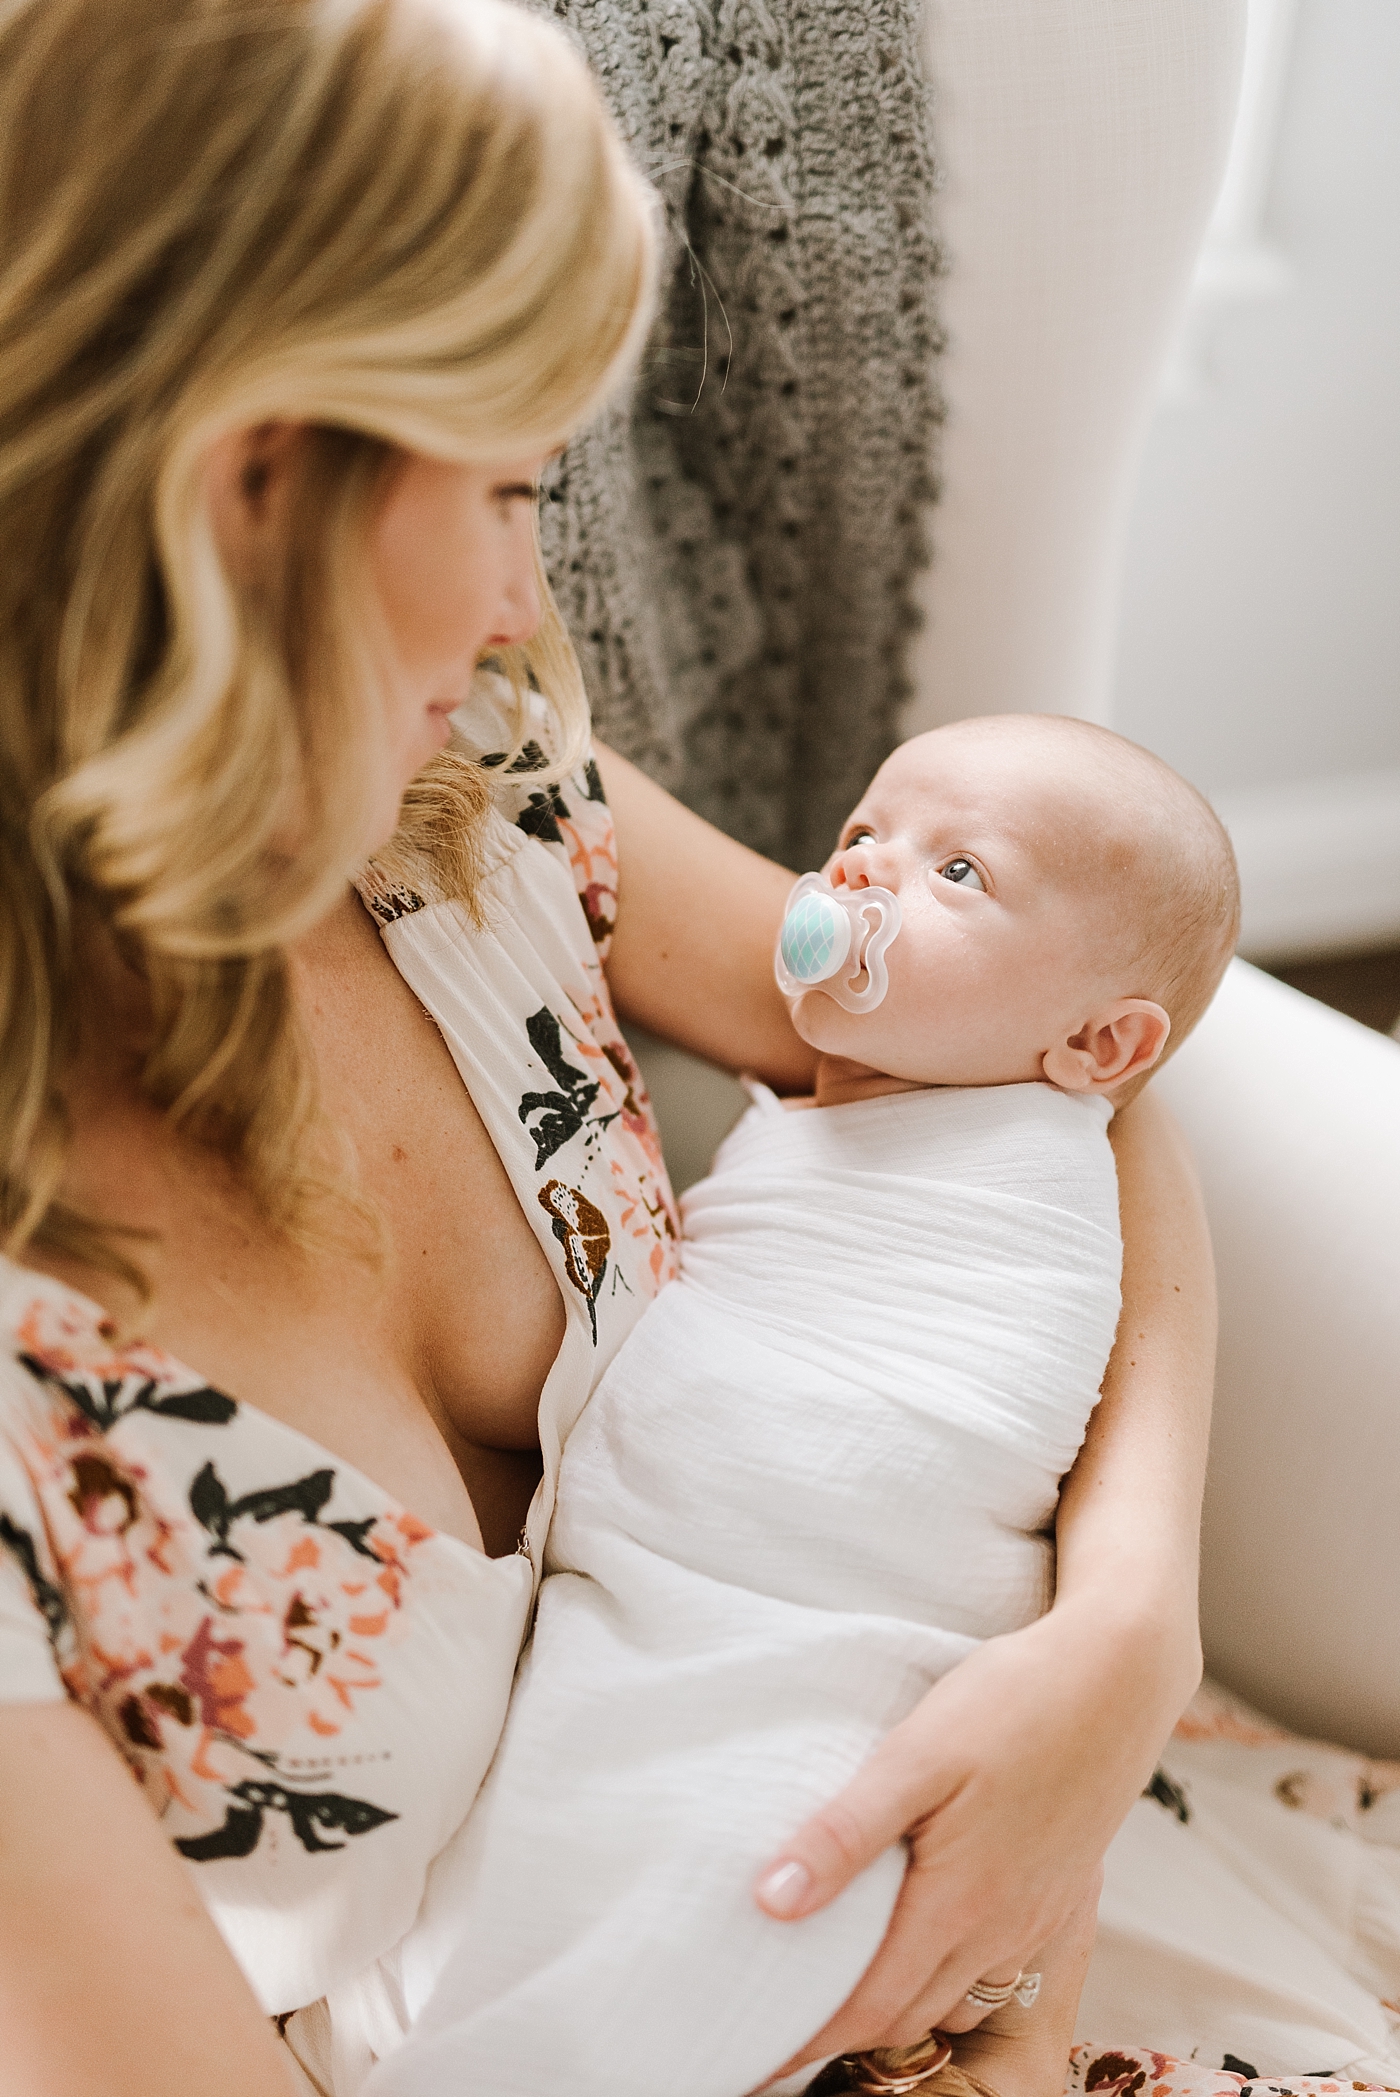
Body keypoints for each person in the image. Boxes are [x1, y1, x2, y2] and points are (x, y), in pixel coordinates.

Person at [0, 5, 1215, 2095]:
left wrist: (1120, 1624)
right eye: (501, 483)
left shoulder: (456, 785)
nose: (520, 593)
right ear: (248, 484)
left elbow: (1072, 1073)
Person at [366, 716, 1239, 2097]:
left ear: (1095, 1039)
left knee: (740, 1879)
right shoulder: (892, 1086)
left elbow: (1118, 1120)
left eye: (956, 871)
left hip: (829, 1645)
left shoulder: (1012, 1137)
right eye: (857, 838)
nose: (857, 885)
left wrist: (1133, 1618)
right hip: (627, 1639)